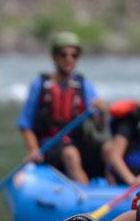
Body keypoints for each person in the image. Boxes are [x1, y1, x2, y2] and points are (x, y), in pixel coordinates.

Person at [17, 31, 108, 183]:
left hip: (78, 141)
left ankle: (114, 189)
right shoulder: (40, 85)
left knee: (108, 149)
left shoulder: (84, 85)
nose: (69, 59)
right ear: (54, 57)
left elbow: (99, 127)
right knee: (70, 154)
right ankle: (86, 197)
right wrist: (34, 150)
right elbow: (25, 125)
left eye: (74, 55)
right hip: (49, 145)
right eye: (63, 54)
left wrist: (102, 112)